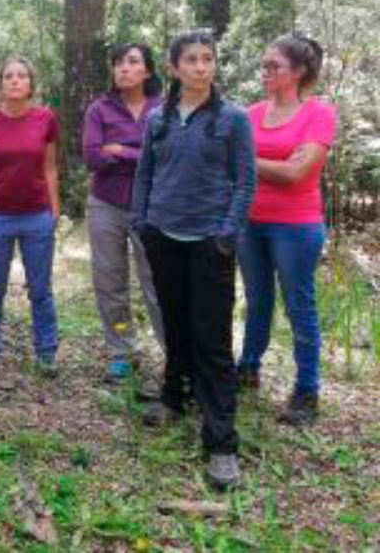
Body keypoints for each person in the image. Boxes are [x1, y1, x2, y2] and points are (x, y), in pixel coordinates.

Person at [131, 30, 255, 491]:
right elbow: (145, 173)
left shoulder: (232, 118)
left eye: (208, 59)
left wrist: (226, 234)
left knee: (213, 339)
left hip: (209, 243)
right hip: (163, 236)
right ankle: (173, 397)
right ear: (174, 67)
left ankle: (221, 442)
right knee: (175, 323)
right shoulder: (158, 118)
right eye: (192, 59)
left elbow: (245, 181)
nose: (201, 67)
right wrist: (141, 221)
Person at [237, 35, 337, 426]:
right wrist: (264, 165)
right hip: (249, 223)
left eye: (274, 66)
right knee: (257, 300)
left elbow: (297, 173)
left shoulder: (318, 114)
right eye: (263, 65)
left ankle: (307, 391)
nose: (265, 72)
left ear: (299, 71)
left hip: (296, 226)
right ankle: (247, 369)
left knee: (299, 305)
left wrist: (247, 159)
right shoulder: (250, 114)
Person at [0, 57, 61, 376]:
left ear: (30, 84)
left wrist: (54, 210)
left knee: (40, 289)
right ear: (0, 84)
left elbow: (50, 167)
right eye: (8, 76)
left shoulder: (46, 119)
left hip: (37, 216)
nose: (15, 80)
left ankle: (47, 352)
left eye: (21, 76)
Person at [82, 44, 165, 383]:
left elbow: (165, 155)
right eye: (118, 63)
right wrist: (140, 153)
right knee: (110, 281)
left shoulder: (164, 108)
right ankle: (122, 352)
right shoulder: (99, 109)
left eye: (133, 62)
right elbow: (92, 157)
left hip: (153, 207)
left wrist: (120, 151)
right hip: (106, 204)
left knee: (157, 283)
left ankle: (175, 355)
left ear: (148, 71)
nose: (124, 68)